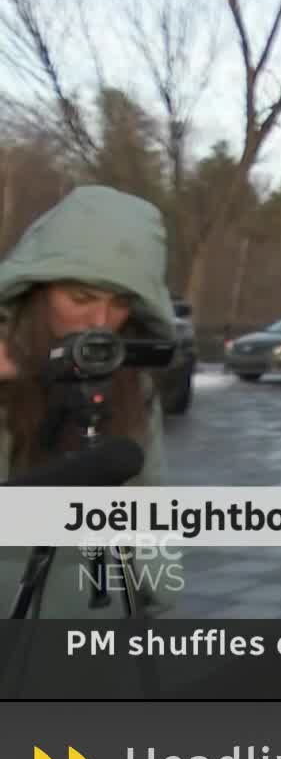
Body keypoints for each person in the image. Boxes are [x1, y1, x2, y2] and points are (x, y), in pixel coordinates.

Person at [0, 186, 178, 618]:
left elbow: (149, 518)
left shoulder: (133, 387)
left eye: (119, 305)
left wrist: (160, 613)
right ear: (37, 292)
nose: (99, 323)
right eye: (79, 299)